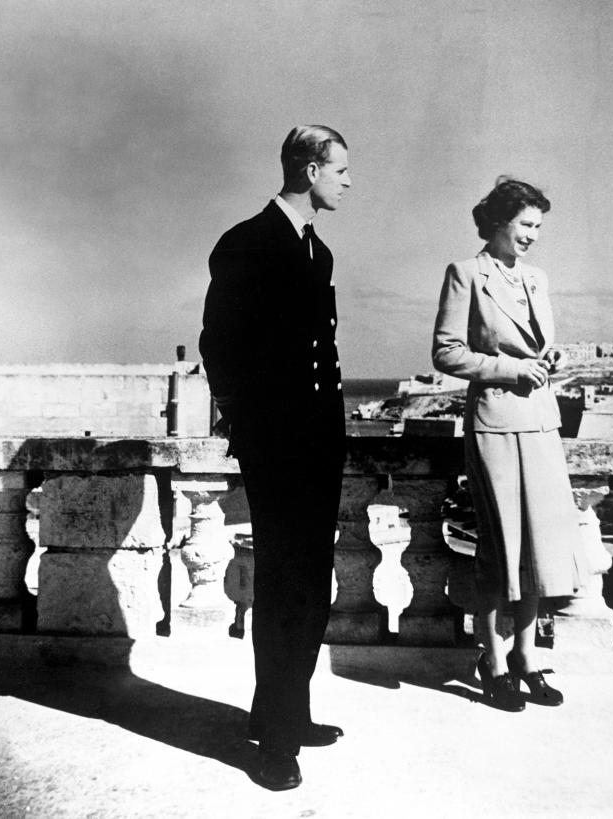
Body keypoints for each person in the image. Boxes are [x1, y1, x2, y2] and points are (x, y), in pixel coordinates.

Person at [199, 125, 351, 790]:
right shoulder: (248, 243)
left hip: (318, 439)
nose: (348, 181)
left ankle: (287, 708)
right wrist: (250, 424)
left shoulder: (317, 251)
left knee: (311, 582)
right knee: (285, 584)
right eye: (341, 169)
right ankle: (275, 742)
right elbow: (220, 346)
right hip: (278, 445)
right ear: (311, 168)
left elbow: (318, 354)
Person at [432, 177, 583, 712]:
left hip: (541, 423)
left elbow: (541, 343)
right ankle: (491, 659)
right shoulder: (465, 274)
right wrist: (511, 369)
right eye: (525, 225)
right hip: (495, 422)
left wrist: (552, 360)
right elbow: (447, 354)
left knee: (540, 546)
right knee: (500, 549)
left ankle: (526, 657)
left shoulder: (537, 279)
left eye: (539, 227)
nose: (532, 237)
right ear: (498, 221)